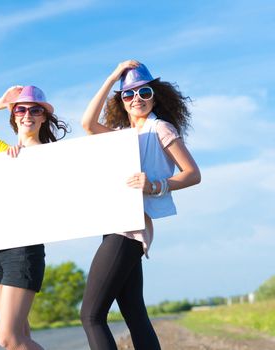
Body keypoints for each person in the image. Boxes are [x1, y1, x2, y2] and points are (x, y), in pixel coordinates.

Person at [80, 60, 201, 350]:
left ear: (154, 96)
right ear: (121, 101)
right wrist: (111, 77)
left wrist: (156, 185)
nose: (137, 99)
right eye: (129, 94)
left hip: (130, 227)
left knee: (91, 315)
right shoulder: (123, 135)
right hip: (118, 224)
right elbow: (87, 124)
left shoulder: (160, 128)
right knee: (134, 313)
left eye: (144, 92)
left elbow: (192, 174)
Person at [0, 85, 69, 350]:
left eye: (35, 110)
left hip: (23, 250)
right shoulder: (1, 151)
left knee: (8, 339)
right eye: (21, 109)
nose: (27, 114)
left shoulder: (53, 157)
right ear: (13, 115)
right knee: (19, 339)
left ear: (44, 117)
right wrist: (0, 102)